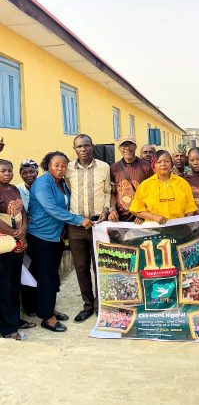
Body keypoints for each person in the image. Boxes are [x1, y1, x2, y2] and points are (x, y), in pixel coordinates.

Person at [27, 151, 93, 333]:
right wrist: (79, 220)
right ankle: (47, 318)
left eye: (63, 165)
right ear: (48, 165)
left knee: (49, 275)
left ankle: (46, 308)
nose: (60, 168)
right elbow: (52, 209)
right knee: (47, 277)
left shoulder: (62, 182)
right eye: (56, 165)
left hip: (55, 236)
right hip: (40, 237)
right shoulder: (42, 184)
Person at [65, 134, 111, 323]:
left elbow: (108, 191)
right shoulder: (67, 169)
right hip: (76, 225)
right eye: (79, 147)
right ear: (74, 149)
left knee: (99, 267)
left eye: (86, 146)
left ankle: (101, 306)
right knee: (81, 267)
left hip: (99, 225)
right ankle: (87, 306)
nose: (83, 149)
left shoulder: (104, 167)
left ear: (92, 146)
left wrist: (106, 209)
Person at [0, 159, 28, 340]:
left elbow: (23, 211)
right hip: (4, 245)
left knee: (15, 284)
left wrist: (24, 228)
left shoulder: (14, 189)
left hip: (16, 243)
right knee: (4, 287)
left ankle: (15, 320)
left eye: (9, 171)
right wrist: (15, 234)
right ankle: (8, 329)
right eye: (3, 171)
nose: (7, 174)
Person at [130, 150, 197, 223]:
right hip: (154, 230)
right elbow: (135, 209)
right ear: (153, 166)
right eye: (159, 162)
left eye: (166, 161)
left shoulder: (183, 183)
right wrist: (154, 217)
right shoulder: (145, 185)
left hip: (179, 229)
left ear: (171, 164)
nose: (163, 164)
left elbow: (190, 209)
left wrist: (186, 225)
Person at [109, 136, 153, 222]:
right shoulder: (114, 168)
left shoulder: (146, 167)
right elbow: (113, 193)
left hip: (141, 218)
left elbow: (151, 193)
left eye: (130, 144)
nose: (127, 148)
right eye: (123, 145)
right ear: (119, 149)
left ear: (135, 147)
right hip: (120, 219)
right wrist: (113, 209)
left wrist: (145, 214)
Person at [17, 160, 39, 318]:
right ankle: (30, 307)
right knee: (26, 272)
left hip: (41, 236)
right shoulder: (16, 190)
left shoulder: (43, 188)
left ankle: (44, 304)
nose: (28, 175)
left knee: (42, 271)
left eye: (31, 172)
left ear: (37, 172)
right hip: (24, 237)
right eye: (24, 173)